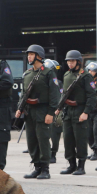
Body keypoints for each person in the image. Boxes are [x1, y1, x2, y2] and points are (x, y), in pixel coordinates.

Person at [16, 44, 59, 180]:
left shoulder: (48, 73)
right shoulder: (27, 74)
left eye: (31, 54)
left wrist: (51, 113)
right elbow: (23, 94)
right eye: (28, 54)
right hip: (29, 112)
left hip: (42, 111)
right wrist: (19, 108)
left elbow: (54, 94)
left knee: (43, 140)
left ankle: (45, 169)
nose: (29, 56)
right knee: (32, 141)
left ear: (39, 56)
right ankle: (36, 167)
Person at [57, 50, 96, 176]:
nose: (70, 63)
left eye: (72, 61)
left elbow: (91, 96)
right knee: (68, 139)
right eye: (68, 61)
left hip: (79, 110)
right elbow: (63, 94)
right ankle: (71, 164)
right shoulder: (66, 75)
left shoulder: (85, 76)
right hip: (68, 111)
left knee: (80, 139)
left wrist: (86, 112)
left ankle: (81, 166)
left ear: (78, 62)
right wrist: (59, 107)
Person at [44, 59, 63, 164]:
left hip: (55, 110)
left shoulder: (58, 83)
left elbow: (59, 96)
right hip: (44, 110)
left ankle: (53, 153)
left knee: (55, 134)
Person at [86, 61, 97, 161]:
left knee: (96, 132)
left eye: (93, 71)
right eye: (90, 71)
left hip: (96, 110)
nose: (91, 72)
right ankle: (92, 149)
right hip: (88, 110)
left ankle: (96, 152)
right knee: (89, 133)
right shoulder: (86, 81)